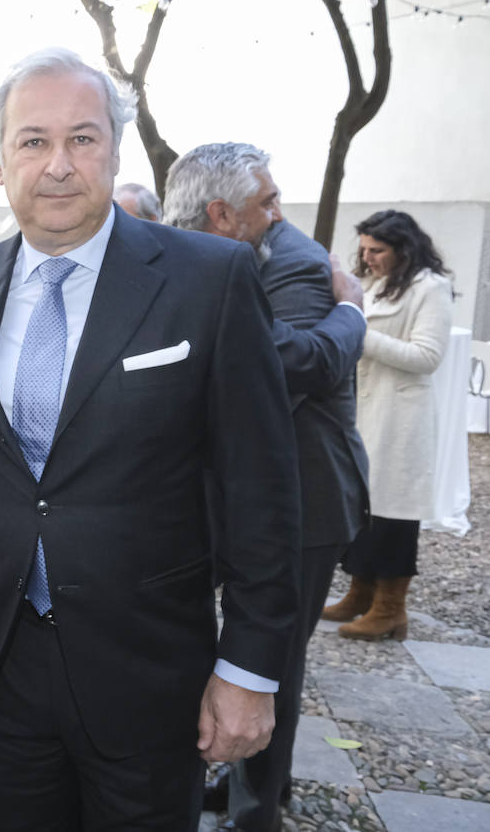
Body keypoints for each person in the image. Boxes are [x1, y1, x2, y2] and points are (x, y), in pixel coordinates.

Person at [0, 48, 301, 830]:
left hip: (148, 670)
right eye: (33, 141)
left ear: (114, 149)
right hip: (3, 663)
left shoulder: (208, 280)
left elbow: (263, 489)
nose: (58, 165)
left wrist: (250, 668)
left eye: (82, 138)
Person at [164, 142, 370, 832]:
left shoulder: (300, 263)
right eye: (269, 202)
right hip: (224, 496)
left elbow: (289, 364)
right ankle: (241, 777)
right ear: (221, 215)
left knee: (269, 660)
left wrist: (353, 317)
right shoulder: (198, 260)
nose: (281, 214)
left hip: (305, 497)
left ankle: (256, 811)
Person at [323, 209, 454, 641]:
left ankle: (391, 610)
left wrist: (358, 331)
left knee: (394, 517)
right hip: (367, 410)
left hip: (401, 419)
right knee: (364, 509)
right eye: (363, 250)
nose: (368, 257)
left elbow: (427, 357)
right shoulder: (375, 284)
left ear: (403, 249)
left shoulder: (429, 288)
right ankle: (360, 594)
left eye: (376, 250)